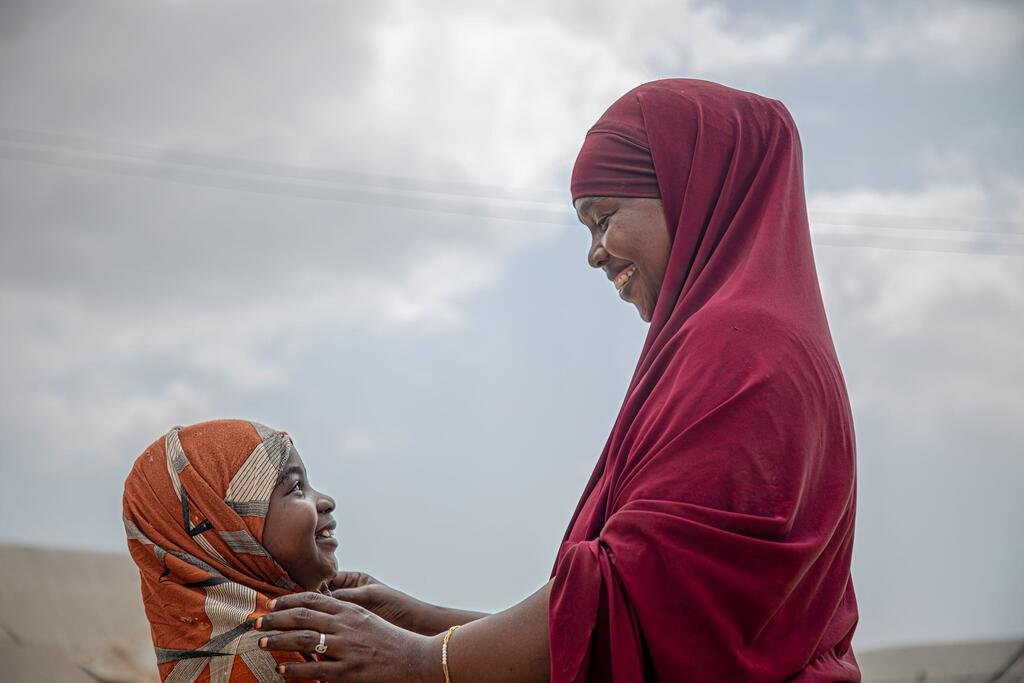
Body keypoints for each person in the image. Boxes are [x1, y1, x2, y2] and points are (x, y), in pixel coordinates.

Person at [255, 79, 861, 682]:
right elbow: (642, 627)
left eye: (605, 219)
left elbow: (646, 588)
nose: (595, 254)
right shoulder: (756, 339)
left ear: (690, 192)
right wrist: (425, 625)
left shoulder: (742, 344)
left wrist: (417, 662)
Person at [123, 419, 342, 681]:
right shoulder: (270, 658)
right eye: (296, 487)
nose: (326, 502)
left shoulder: (303, 637)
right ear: (221, 523)